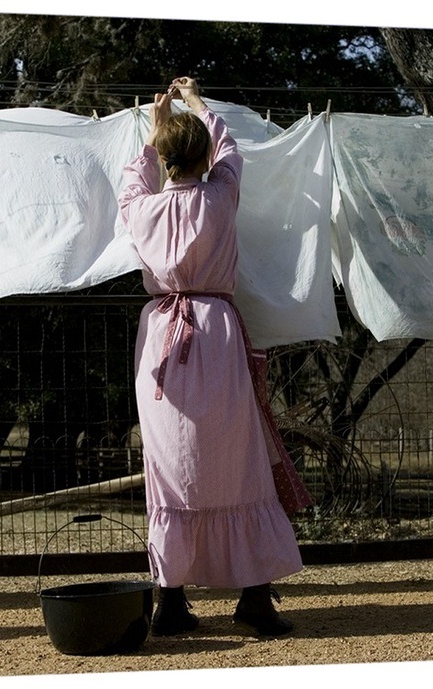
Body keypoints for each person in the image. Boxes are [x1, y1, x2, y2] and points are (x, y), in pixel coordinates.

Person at [118, 77, 312, 638]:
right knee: (239, 463)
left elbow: (136, 176)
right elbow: (230, 152)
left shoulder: (141, 208)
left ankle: (171, 601)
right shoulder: (220, 195)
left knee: (171, 470)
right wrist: (199, 105)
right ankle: (253, 598)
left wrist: (156, 130)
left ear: (163, 159)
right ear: (202, 158)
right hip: (216, 336)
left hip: (161, 346)